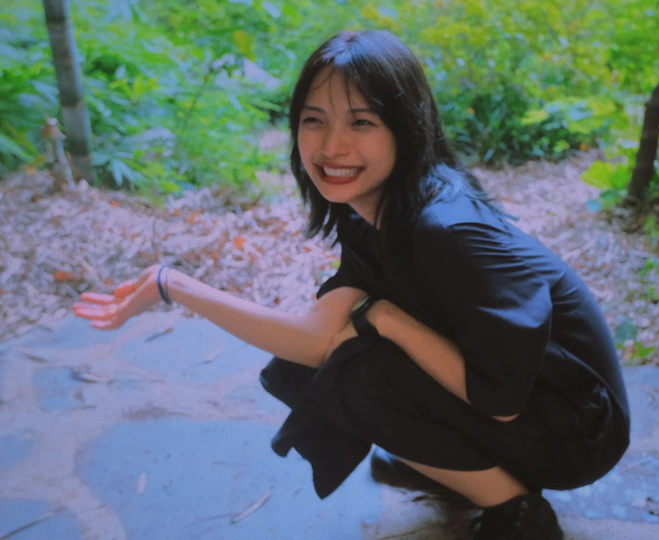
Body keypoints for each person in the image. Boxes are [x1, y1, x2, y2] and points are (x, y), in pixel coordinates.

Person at [73, 29, 630, 540]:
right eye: (313, 120)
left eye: (361, 123)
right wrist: (173, 285)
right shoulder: (375, 213)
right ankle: (463, 469)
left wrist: (387, 319)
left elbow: (501, 401)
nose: (330, 147)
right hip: (536, 402)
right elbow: (313, 339)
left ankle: (518, 511)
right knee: (334, 360)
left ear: (405, 128)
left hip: (578, 427)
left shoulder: (446, 227)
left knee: (361, 367)